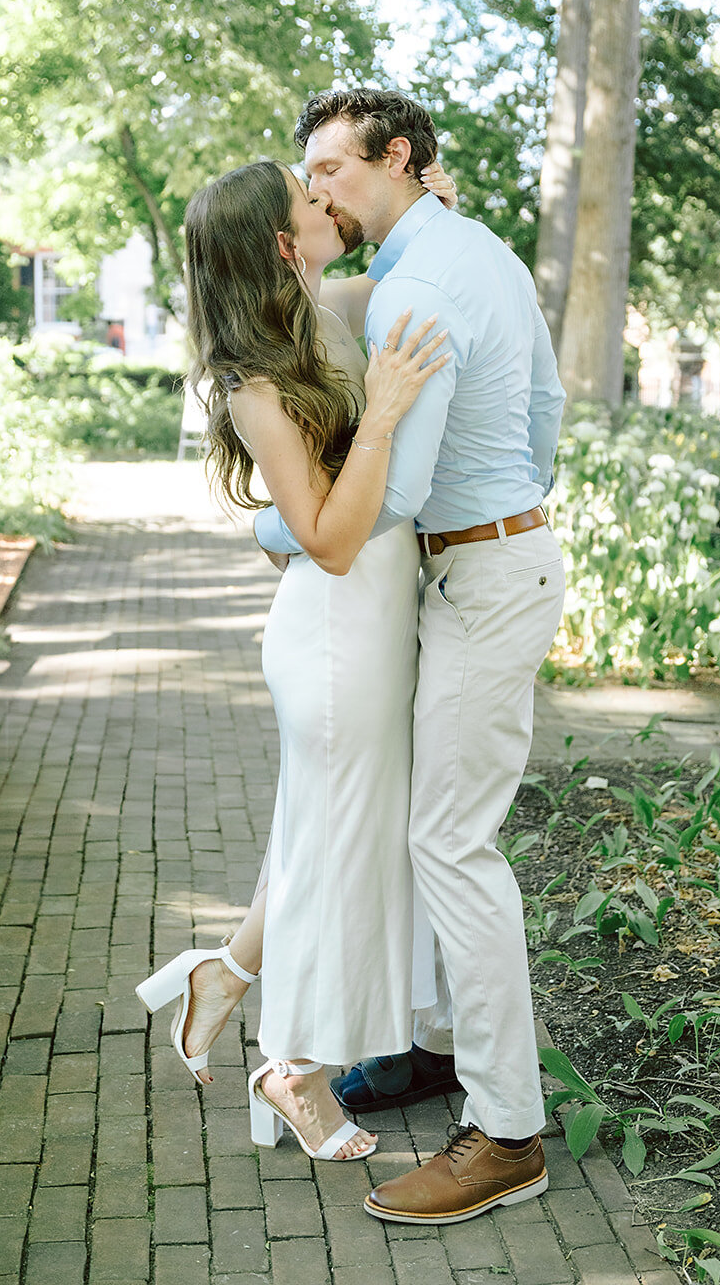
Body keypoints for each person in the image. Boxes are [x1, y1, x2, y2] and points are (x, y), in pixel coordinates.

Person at [253, 88, 567, 1224]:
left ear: (394, 158)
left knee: (448, 841)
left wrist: (270, 525)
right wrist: (511, 509)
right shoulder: (466, 247)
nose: (316, 189)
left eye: (328, 169)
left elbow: (400, 494)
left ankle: (506, 1134)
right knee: (423, 825)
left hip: (480, 576)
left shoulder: (417, 290)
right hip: (492, 561)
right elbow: (543, 406)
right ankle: (433, 1055)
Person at [135, 156, 452, 1162]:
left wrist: (427, 201)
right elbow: (322, 536)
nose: (327, 205)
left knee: (325, 838)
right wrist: (387, 413)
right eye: (309, 201)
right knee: (341, 852)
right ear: (282, 243)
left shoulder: (325, 311)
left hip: (370, 624)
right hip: (331, 635)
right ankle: (296, 1071)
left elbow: (403, 265)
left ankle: (221, 976)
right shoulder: (254, 386)